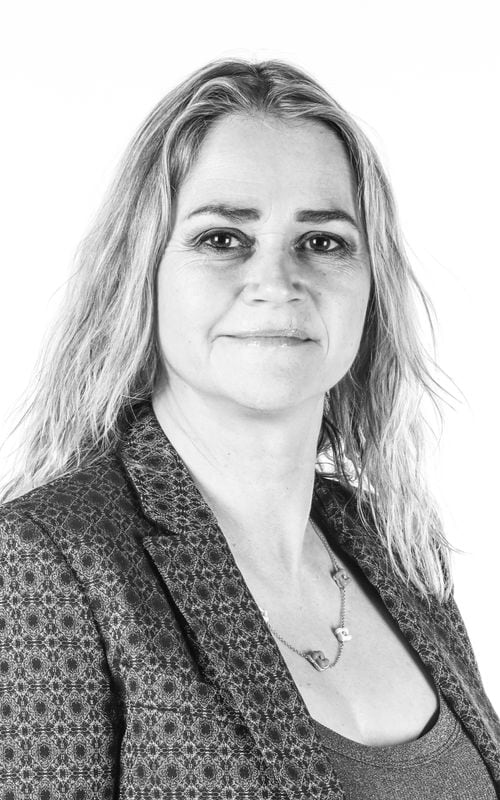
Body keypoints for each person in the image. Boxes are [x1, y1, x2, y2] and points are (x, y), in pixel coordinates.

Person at [0, 58, 498, 800]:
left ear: (371, 285)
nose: (276, 282)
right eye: (223, 238)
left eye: (323, 241)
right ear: (142, 272)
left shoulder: (396, 551)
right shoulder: (47, 561)